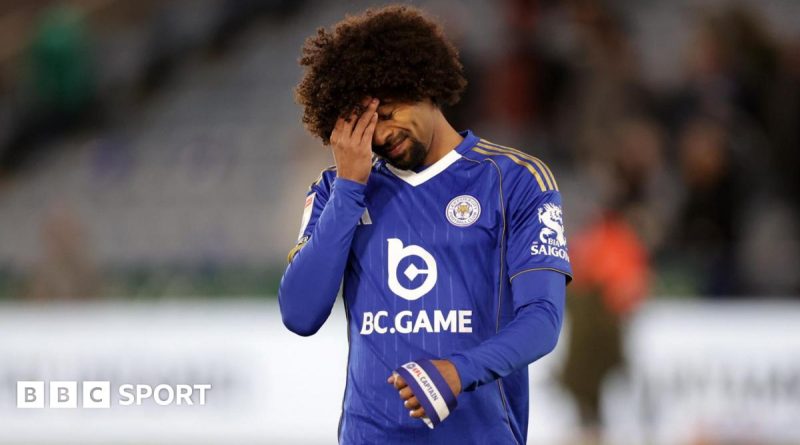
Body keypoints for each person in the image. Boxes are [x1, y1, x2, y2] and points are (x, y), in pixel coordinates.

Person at [279, 6, 572, 444]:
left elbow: (543, 320)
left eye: (388, 111)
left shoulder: (515, 180)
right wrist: (349, 188)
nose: (380, 135)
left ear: (422, 83)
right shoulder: (335, 192)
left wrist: (459, 372)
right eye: (364, 124)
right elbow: (300, 314)